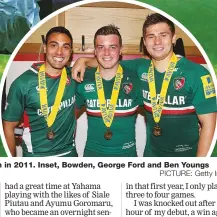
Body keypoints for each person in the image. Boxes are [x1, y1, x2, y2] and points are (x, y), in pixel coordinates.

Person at [72, 13, 217, 157]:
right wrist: (83, 60)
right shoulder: (140, 67)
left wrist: (200, 166)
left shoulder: (197, 73)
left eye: (163, 35)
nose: (157, 42)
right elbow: (110, 61)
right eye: (151, 37)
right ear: (145, 42)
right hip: (151, 156)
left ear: (173, 38)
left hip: (187, 157)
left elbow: (210, 125)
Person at [3, 26, 77, 157]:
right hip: (36, 157)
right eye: (54, 45)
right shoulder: (23, 83)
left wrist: (84, 60)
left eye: (65, 47)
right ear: (45, 48)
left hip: (69, 155)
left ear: (71, 51)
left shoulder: (75, 76)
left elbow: (104, 63)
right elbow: (8, 127)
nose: (59, 52)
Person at [76, 25, 142, 157]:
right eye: (101, 47)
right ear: (95, 51)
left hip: (127, 157)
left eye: (112, 47)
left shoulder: (136, 79)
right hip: (92, 157)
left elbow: (158, 114)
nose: (106, 53)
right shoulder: (82, 78)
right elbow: (66, 116)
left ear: (121, 50)